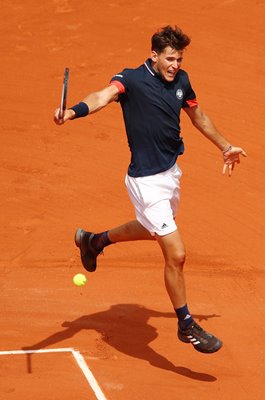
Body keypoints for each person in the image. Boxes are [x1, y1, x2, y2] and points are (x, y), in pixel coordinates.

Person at [54, 26, 246, 354]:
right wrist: (72, 111)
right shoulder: (130, 79)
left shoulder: (182, 81)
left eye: (179, 59)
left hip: (171, 174)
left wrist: (225, 146)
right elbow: (102, 96)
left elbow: (197, 114)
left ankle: (94, 240)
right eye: (170, 59)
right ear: (154, 56)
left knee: (149, 228)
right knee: (177, 252)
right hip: (145, 181)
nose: (175, 65)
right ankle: (185, 323)